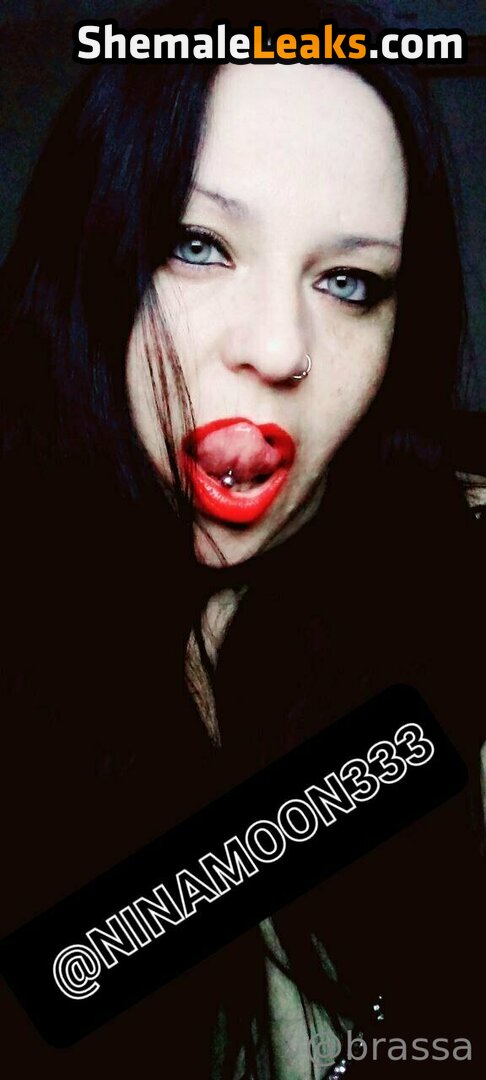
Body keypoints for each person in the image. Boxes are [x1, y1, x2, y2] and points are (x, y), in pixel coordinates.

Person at [0, 1, 484, 1076]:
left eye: (348, 281)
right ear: (91, 262)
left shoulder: (439, 601)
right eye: (196, 245)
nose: (277, 347)